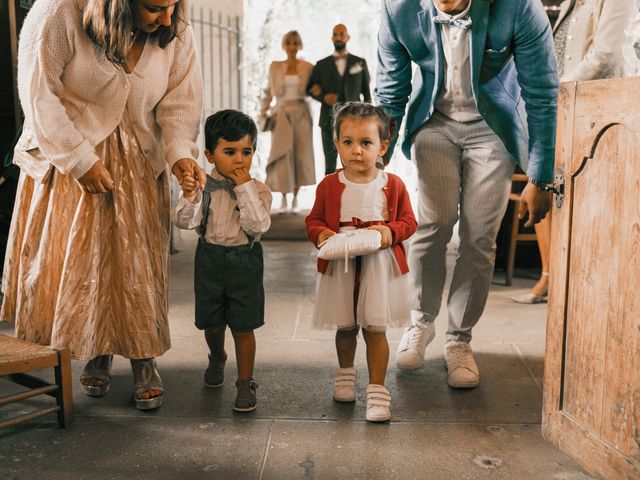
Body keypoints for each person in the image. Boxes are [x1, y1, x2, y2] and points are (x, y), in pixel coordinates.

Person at [0, 0, 204, 410]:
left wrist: (181, 152)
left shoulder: (173, 19)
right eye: (154, 8)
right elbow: (39, 96)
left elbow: (180, 98)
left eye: (173, 6)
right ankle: (98, 349)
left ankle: (144, 356)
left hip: (140, 160)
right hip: (72, 154)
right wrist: (78, 159)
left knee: (136, 263)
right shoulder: (57, 12)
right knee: (90, 262)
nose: (168, 18)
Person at [375, 0, 558, 388]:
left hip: (493, 128)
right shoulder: (398, 9)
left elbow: (542, 93)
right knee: (434, 222)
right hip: (434, 123)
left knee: (478, 237)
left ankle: (459, 340)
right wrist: (375, 164)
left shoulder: (520, 8)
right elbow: (391, 91)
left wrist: (540, 178)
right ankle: (421, 322)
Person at [512, 0, 636, 304]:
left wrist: (553, 89)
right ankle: (553, 278)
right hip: (566, 109)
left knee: (590, 202)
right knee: (550, 186)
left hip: (597, 110)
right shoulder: (571, 1)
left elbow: (605, 55)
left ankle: (587, 289)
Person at [305, 102, 417, 422]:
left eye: (366, 143)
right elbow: (312, 221)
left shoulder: (391, 184)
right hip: (340, 263)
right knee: (345, 325)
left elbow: (409, 222)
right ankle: (345, 375)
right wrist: (323, 233)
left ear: (382, 146)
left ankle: (378, 391)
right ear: (336, 143)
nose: (356, 151)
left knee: (375, 327)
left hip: (379, 264)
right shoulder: (328, 184)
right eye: (348, 142)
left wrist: (388, 232)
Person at [171, 110, 271, 412]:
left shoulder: (260, 191)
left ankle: (245, 382)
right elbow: (182, 222)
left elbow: (258, 226)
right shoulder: (204, 188)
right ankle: (217, 356)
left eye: (246, 151)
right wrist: (189, 196)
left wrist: (244, 189)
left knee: (244, 324)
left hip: (245, 261)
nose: (239, 160)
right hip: (210, 260)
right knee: (211, 322)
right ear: (210, 155)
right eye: (230, 152)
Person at [259, 31, 315, 213]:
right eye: (289, 43)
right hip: (281, 114)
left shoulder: (308, 67)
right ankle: (283, 197)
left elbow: (315, 91)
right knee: (282, 155)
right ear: (284, 45)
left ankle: (296, 199)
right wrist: (263, 114)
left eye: (295, 43)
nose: (292, 46)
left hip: (301, 114)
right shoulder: (275, 66)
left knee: (300, 156)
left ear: (300, 45)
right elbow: (268, 92)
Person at [307, 24, 372, 175]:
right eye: (335, 34)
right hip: (327, 119)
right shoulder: (321, 65)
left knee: (352, 162)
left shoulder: (359, 62)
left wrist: (366, 120)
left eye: (341, 34)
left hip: (354, 121)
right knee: (329, 164)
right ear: (331, 38)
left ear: (347, 37)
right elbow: (309, 88)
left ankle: (352, 195)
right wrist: (323, 97)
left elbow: (367, 96)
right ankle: (329, 196)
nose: (338, 37)